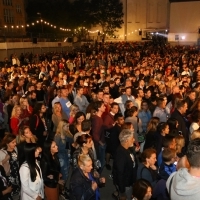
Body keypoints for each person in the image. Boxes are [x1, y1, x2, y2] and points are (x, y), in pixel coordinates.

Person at [112, 129, 136, 200]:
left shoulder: (126, 148)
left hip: (129, 180)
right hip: (126, 184)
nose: (134, 140)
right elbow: (120, 174)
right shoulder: (121, 155)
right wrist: (122, 191)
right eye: (132, 138)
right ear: (126, 141)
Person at [54, 120, 73, 190]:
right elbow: (56, 148)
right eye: (67, 126)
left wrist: (66, 138)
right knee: (64, 173)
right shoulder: (57, 137)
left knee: (67, 170)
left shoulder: (66, 134)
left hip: (67, 154)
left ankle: (63, 188)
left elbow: (72, 140)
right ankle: (62, 189)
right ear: (62, 127)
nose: (68, 128)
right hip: (61, 156)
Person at [0, 134, 20, 199]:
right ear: (7, 143)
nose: (15, 144)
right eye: (13, 142)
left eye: (15, 142)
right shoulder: (2, 152)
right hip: (9, 177)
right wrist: (5, 160)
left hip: (17, 174)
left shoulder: (15, 149)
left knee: (18, 192)